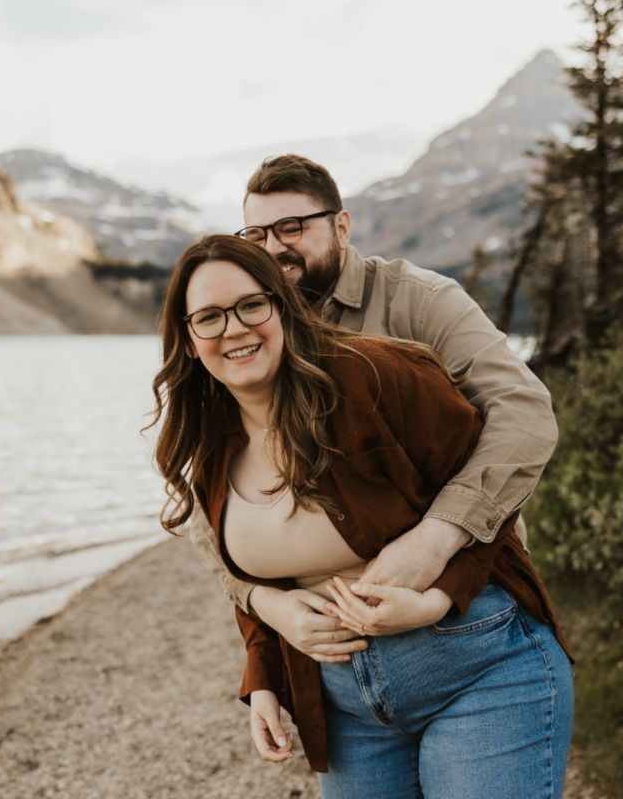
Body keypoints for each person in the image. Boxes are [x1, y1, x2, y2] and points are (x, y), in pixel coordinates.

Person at [149, 235, 573, 798]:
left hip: (480, 676)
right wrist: (265, 678)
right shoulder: (208, 443)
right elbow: (249, 578)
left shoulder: (374, 378)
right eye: (209, 317)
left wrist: (438, 594)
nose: (235, 328)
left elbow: (493, 494)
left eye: (252, 305)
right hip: (349, 718)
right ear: (187, 341)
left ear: (283, 308)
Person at [188, 155, 559, 667]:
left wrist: (437, 539)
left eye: (292, 227)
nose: (273, 248)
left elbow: (524, 411)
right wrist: (263, 607)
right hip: (338, 658)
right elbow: (211, 500)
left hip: (462, 606)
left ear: (341, 226)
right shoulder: (252, 338)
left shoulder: (420, 302)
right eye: (257, 234)